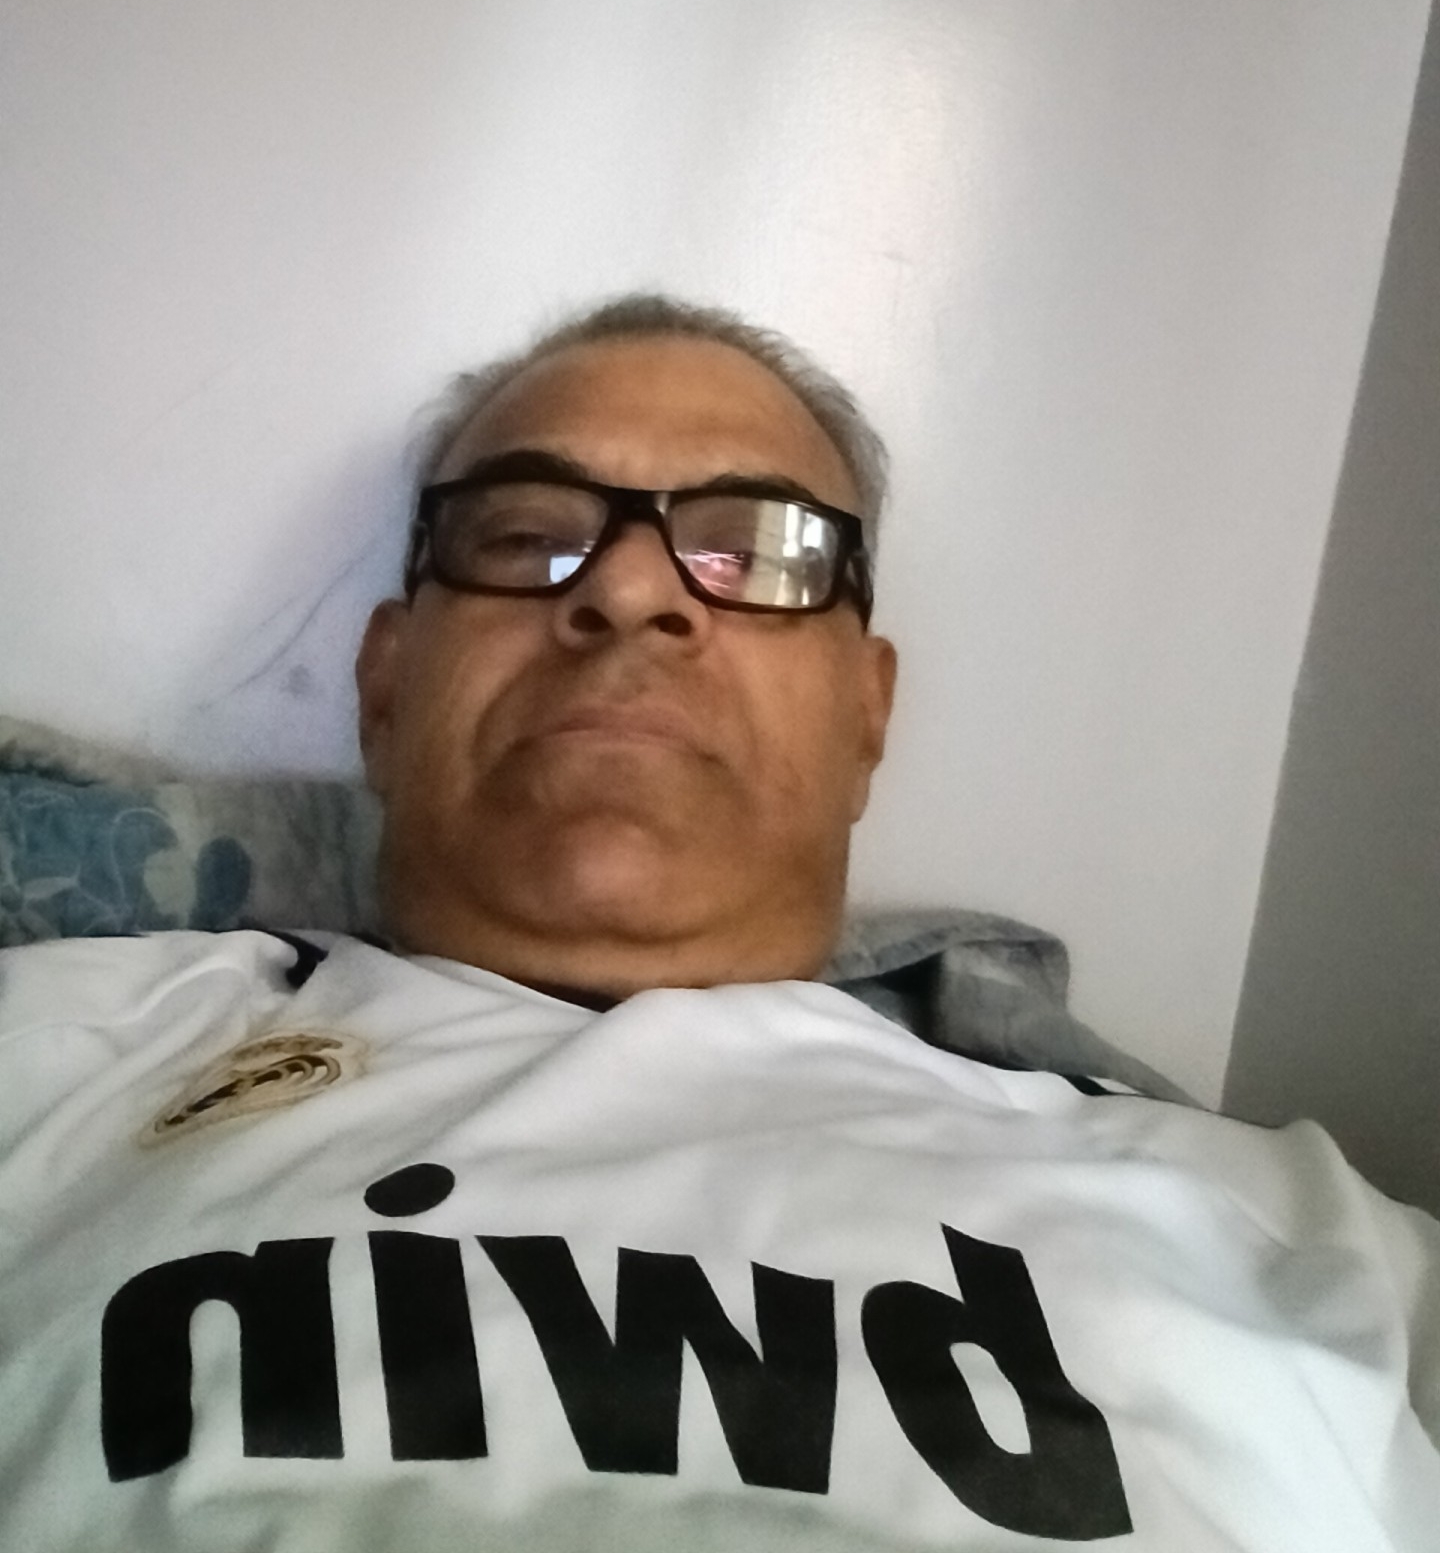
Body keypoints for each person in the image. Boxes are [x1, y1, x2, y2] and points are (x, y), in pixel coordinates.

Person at [0, 295, 1436, 1553]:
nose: (630, 592)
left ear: (867, 716)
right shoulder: (63, 1056)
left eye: (756, 550)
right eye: (525, 534)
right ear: (384, 689)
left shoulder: (1291, 1245)